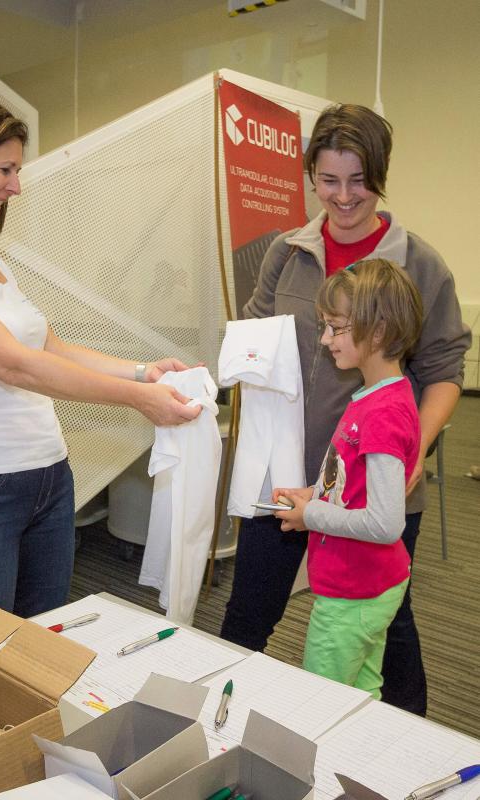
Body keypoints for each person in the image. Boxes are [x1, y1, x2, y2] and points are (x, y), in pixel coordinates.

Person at [0, 93, 201, 618]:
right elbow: (14, 364)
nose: (15, 186)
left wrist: (144, 373)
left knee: (41, 632)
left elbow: (51, 347)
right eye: (5, 169)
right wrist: (136, 400)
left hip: (48, 475)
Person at [220, 103, 471, 716]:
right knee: (248, 612)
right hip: (287, 474)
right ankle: (216, 729)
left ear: (380, 175)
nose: (343, 196)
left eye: (359, 180)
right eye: (328, 180)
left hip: (373, 480)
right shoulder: (287, 253)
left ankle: (410, 743)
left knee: (385, 624)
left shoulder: (420, 265)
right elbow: (255, 338)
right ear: (311, 176)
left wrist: (413, 450)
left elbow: (444, 373)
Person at [272, 259, 422, 698]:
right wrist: (311, 495)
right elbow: (353, 487)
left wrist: (311, 515)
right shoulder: (375, 398)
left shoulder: (384, 413)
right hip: (364, 586)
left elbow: (385, 523)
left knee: (322, 700)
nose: (325, 338)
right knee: (361, 693)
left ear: (377, 332)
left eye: (336, 328)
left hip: (353, 594)